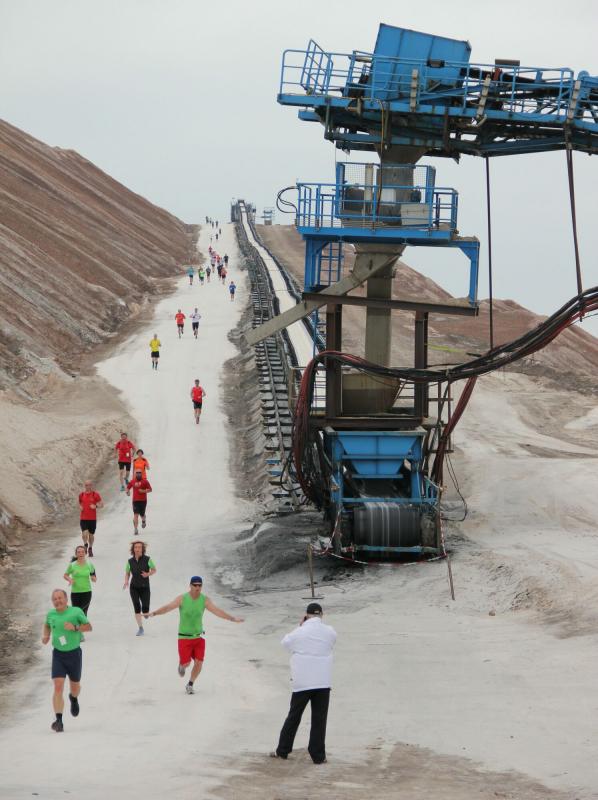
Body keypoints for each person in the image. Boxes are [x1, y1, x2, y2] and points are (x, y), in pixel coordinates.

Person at [145, 576, 243, 694]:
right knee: (186, 664)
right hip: (184, 638)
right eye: (195, 585)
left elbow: (217, 611)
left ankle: (190, 684)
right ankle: (182, 665)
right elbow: (168, 607)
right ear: (190, 586)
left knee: (199, 662)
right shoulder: (182, 599)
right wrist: (154, 613)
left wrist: (232, 618)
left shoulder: (204, 600)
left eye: (199, 585)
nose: (197, 587)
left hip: (198, 638)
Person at [271, 603, 336, 764]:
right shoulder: (330, 631)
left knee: (294, 716)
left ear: (306, 615)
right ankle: (318, 756)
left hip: (303, 682)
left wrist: (301, 626)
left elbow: (285, 643)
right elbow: (331, 642)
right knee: (319, 719)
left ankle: (283, 750)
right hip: (323, 681)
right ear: (322, 615)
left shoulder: (300, 631)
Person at [42, 588, 92, 732]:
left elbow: (89, 627)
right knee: (58, 686)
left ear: (66, 599)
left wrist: (75, 627)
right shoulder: (51, 614)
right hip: (58, 655)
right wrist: (46, 636)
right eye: (55, 599)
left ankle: (73, 698)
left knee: (75, 687)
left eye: (60, 598)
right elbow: (47, 625)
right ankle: (59, 720)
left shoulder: (76, 612)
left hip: (74, 655)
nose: (57, 601)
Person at [123, 540, 156, 636]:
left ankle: (145, 611)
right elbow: (127, 573)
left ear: (142, 549)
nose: (137, 549)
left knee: (145, 609)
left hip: (145, 587)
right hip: (134, 587)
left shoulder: (147, 559)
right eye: (136, 547)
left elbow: (154, 570)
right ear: (133, 549)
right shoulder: (130, 561)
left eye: (139, 547)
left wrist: (148, 574)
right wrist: (126, 581)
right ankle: (140, 628)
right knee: (136, 606)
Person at [64, 545, 96, 621]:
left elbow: (93, 576)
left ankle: (81, 625)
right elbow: (65, 575)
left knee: (83, 612)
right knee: (76, 612)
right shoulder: (72, 565)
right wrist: (70, 579)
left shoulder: (89, 564)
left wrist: (93, 578)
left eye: (82, 552)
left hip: (87, 592)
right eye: (79, 552)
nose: (81, 553)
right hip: (75, 593)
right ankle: (77, 626)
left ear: (85, 553)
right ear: (76, 554)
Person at [78, 479, 103, 557]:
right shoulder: (81, 495)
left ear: (91, 485)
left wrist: (95, 506)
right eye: (86, 485)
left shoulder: (95, 494)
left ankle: (90, 548)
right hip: (83, 518)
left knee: (91, 535)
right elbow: (80, 503)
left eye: (89, 485)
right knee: (84, 533)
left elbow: (102, 504)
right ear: (84, 486)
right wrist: (80, 507)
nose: (88, 486)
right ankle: (85, 544)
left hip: (92, 519)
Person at [126, 469, 152, 535]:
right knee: (136, 515)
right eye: (137, 473)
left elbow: (150, 489)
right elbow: (128, 487)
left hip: (143, 501)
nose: (138, 474)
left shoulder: (145, 481)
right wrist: (127, 492)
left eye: (139, 473)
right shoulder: (133, 481)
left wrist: (143, 491)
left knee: (142, 514)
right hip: (135, 501)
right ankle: (135, 529)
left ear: (141, 474)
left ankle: (143, 520)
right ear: (135, 474)